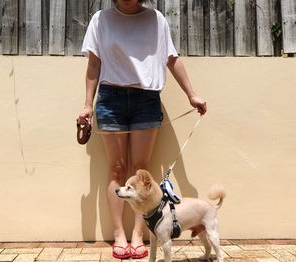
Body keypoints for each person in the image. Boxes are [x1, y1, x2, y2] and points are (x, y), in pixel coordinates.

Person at [77, 0, 207, 259]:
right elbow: (94, 65)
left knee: (141, 170)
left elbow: (172, 59)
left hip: (147, 99)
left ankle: (139, 234)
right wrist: (87, 105)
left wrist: (192, 95)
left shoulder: (156, 19)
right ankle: (119, 235)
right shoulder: (101, 20)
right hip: (110, 98)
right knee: (116, 168)